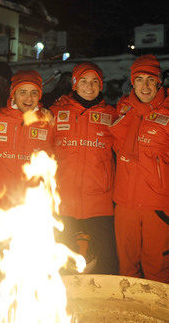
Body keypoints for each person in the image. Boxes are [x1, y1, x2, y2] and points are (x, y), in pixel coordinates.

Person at [109, 54, 169, 284]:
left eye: (150, 79)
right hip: (125, 207)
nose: (145, 85)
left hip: (158, 209)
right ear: (132, 82)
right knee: (127, 272)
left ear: (159, 82)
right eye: (139, 79)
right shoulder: (123, 111)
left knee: (159, 274)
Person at [50, 62, 118, 274]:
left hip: (100, 202)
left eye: (95, 81)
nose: (89, 87)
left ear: (101, 84)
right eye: (84, 81)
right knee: (63, 264)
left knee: (104, 262)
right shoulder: (56, 112)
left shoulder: (112, 115)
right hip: (63, 202)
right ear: (74, 84)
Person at [0, 70, 54, 208]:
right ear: (13, 93)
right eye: (22, 92)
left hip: (34, 202)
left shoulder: (48, 122)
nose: (28, 99)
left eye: (34, 93)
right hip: (0, 201)